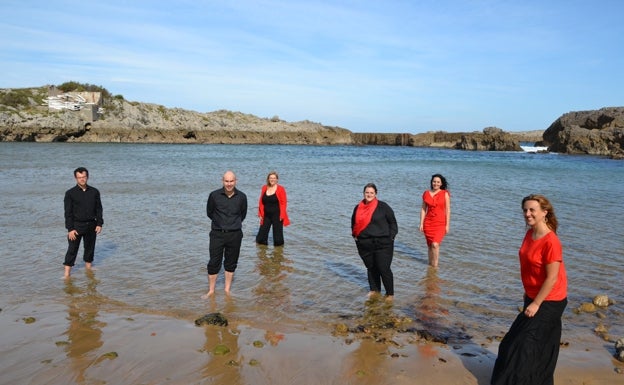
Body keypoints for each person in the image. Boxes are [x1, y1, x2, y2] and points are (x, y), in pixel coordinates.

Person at [491, 194, 568, 385]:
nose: (527, 214)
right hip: (533, 296)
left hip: (550, 301)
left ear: (544, 212)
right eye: (525, 210)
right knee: (511, 343)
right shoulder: (530, 233)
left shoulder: (551, 241)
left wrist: (536, 303)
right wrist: (529, 294)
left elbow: (552, 278)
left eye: (532, 210)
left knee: (523, 345)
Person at [202, 171, 248, 298]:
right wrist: (220, 223)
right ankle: (211, 291)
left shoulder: (242, 197)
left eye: (231, 181)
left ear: (236, 181)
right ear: (222, 181)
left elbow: (242, 214)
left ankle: (227, 290)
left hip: (235, 234)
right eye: (226, 181)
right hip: (217, 234)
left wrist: (232, 225)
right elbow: (209, 212)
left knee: (231, 262)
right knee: (213, 262)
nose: (229, 184)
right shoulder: (214, 195)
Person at [351, 183, 398, 300]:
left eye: (371, 193)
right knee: (371, 267)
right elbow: (353, 224)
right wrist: (356, 238)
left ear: (376, 194)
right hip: (365, 243)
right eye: (367, 192)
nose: (369, 195)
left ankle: (389, 294)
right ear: (363, 193)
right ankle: (374, 290)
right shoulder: (358, 208)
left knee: (383, 268)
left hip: (383, 243)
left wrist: (391, 237)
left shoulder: (383, 207)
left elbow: (393, 223)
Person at [63, 167, 103, 278]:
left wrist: (99, 223)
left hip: (91, 224)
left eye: (84, 177)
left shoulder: (94, 192)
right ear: (75, 178)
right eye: (79, 177)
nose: (82, 179)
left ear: (87, 177)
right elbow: (68, 213)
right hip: (76, 226)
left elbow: (99, 209)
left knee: (90, 248)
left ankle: (88, 269)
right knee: (72, 250)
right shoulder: (70, 193)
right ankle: (67, 275)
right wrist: (70, 229)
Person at [419, 174, 451, 267]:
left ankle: (435, 266)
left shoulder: (445, 193)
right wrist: (421, 223)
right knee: (430, 246)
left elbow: (448, 210)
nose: (435, 183)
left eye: (438, 182)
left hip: (440, 223)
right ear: (431, 182)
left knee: (435, 244)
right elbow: (423, 209)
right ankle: (430, 265)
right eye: (434, 181)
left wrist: (447, 225)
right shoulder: (426, 193)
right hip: (428, 223)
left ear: (441, 184)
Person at [256, 171, 290, 246]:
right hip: (266, 215)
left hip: (277, 215)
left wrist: (282, 215)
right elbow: (261, 201)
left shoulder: (281, 189)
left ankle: (278, 254)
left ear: (277, 179)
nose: (272, 179)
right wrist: (260, 213)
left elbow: (284, 203)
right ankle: (262, 253)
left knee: (278, 239)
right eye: (271, 178)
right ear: (268, 179)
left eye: (274, 178)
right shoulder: (264, 188)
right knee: (260, 238)